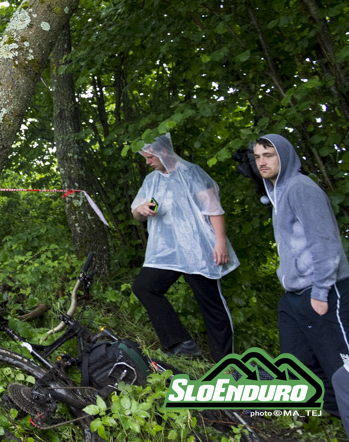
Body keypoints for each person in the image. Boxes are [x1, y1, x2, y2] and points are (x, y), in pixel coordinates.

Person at [253, 134, 349, 418]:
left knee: (342, 372)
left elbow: (325, 243)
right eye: (257, 157)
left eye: (268, 155)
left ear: (284, 156)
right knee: (300, 370)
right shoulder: (278, 193)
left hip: (325, 291)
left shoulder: (301, 188)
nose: (262, 162)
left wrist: (320, 292)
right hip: (294, 297)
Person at [130, 134, 239, 361]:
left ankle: (225, 362)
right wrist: (141, 209)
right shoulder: (151, 180)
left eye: (150, 157)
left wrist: (220, 242)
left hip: (198, 248)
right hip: (166, 250)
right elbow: (136, 214)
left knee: (211, 304)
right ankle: (181, 343)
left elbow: (214, 208)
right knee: (144, 287)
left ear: (163, 152)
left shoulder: (191, 173)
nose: (147, 162)